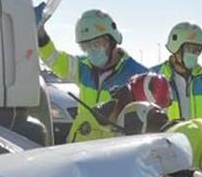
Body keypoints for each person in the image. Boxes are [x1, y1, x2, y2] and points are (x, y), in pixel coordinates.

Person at [36, 8, 148, 143]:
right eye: (85, 46)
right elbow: (54, 59)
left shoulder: (138, 75)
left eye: (96, 43)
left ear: (112, 40)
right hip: (79, 148)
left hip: (113, 154)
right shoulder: (83, 67)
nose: (91, 50)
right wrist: (40, 33)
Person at [153, 22, 202, 121]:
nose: (195, 54)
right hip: (169, 136)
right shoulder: (155, 77)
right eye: (191, 49)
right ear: (176, 47)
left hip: (198, 136)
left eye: (199, 50)